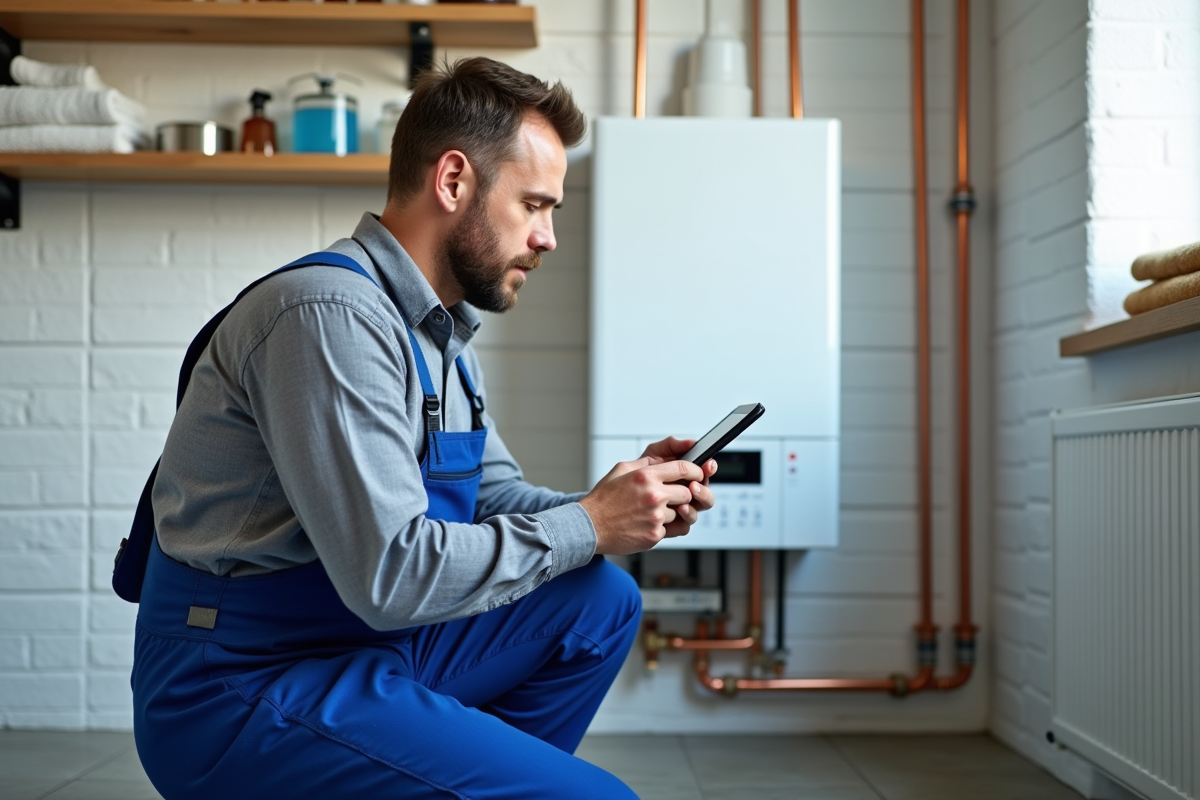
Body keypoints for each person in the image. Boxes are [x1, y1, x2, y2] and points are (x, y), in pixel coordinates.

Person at [122, 57, 717, 800]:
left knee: (599, 602)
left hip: (359, 646)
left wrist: (621, 504)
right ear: (455, 181)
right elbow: (392, 577)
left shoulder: (438, 337)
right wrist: (591, 524)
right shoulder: (329, 318)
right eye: (535, 205)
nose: (548, 238)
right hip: (239, 682)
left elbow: (495, 496)